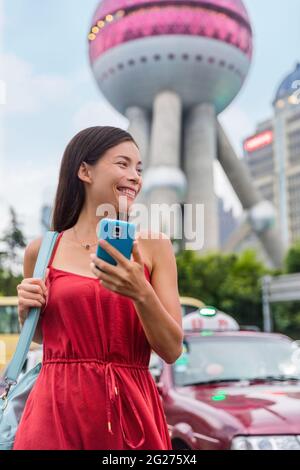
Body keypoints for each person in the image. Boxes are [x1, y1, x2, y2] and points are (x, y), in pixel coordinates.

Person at [13, 126, 183, 450]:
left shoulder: (154, 247)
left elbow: (172, 349)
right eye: (123, 164)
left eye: (139, 168)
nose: (134, 176)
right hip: (53, 412)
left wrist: (140, 292)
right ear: (84, 171)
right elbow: (51, 339)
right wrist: (27, 315)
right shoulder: (42, 250)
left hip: (130, 412)